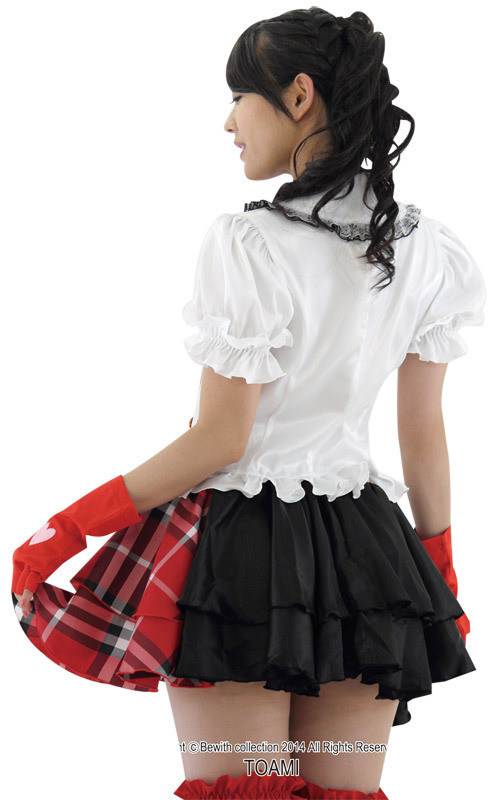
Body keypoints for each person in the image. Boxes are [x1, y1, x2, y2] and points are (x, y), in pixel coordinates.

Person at [11, 8, 486, 800]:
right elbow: (421, 429)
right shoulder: (428, 249)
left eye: (239, 97)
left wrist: (70, 523)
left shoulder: (250, 245)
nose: (228, 123)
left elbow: (221, 441)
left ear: (299, 96)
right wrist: (437, 563)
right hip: (368, 556)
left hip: (242, 555)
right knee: (342, 793)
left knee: (245, 786)